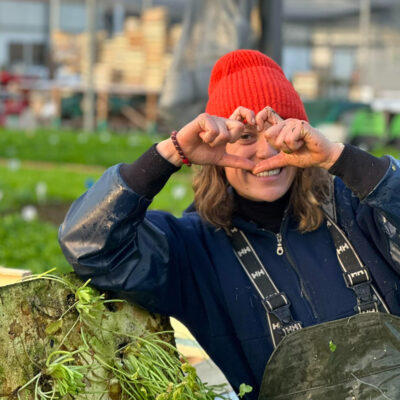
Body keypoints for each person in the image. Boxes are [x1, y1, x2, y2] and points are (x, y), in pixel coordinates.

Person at [59, 50, 400, 399]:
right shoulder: (192, 249)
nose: (266, 153)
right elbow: (89, 246)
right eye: (246, 137)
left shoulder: (360, 210)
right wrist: (171, 152)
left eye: (277, 130)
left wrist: (337, 157)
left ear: (303, 132)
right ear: (215, 147)